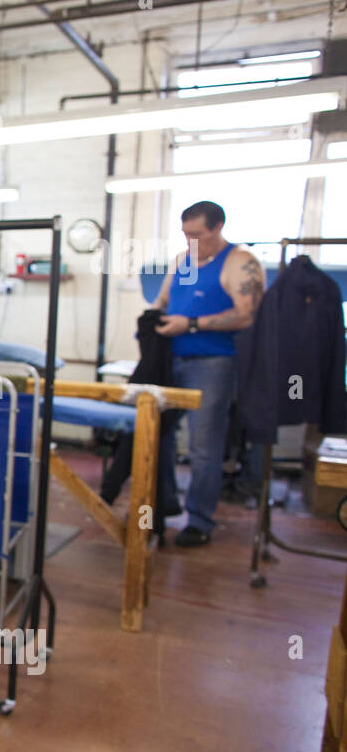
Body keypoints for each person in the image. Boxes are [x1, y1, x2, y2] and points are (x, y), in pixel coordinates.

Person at [150, 200, 265, 547]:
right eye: (186, 235)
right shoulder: (184, 261)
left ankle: (199, 520)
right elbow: (165, 302)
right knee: (161, 436)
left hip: (213, 364)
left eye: (197, 234)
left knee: (203, 446)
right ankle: (164, 506)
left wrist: (194, 324)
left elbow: (247, 315)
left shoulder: (240, 263)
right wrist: (151, 322)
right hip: (173, 360)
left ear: (217, 227)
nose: (191, 242)